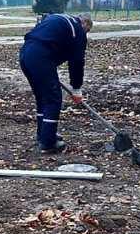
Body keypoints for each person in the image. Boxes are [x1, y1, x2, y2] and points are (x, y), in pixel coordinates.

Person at [20, 13, 92, 154]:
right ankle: (48, 143)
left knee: (42, 98)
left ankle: (44, 134)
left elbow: (50, 42)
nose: (86, 35)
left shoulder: (57, 18)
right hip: (41, 58)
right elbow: (77, 62)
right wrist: (76, 88)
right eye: (87, 31)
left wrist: (46, 70)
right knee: (53, 99)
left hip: (25, 55)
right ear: (84, 23)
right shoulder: (78, 30)